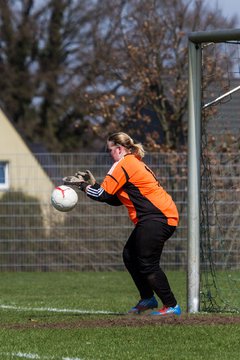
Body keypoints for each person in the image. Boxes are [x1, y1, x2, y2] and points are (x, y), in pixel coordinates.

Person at [63, 132, 181, 316]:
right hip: (158, 216)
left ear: (119, 148)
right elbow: (113, 198)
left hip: (157, 217)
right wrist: (93, 185)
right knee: (130, 255)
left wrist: (83, 186)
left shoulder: (123, 164)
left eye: (109, 149)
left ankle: (171, 305)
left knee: (146, 262)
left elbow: (102, 195)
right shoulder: (132, 162)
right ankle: (147, 298)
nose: (108, 153)